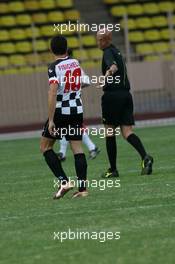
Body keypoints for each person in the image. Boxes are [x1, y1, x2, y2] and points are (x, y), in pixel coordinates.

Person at [96, 29, 153, 177]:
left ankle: (113, 169)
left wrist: (105, 77)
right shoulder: (117, 51)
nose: (98, 43)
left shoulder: (108, 52)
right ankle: (145, 157)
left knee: (109, 132)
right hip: (126, 95)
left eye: (99, 40)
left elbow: (113, 67)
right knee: (127, 132)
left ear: (106, 40)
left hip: (113, 97)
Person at [40, 35, 89, 199]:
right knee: (78, 149)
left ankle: (64, 181)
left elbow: (53, 91)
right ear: (67, 48)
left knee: (45, 147)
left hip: (61, 112)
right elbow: (84, 82)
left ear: (51, 49)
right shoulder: (75, 62)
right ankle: (83, 190)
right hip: (77, 110)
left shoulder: (53, 67)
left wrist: (51, 119)